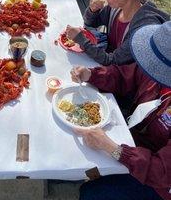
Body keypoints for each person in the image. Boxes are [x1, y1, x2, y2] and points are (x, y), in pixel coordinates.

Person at [71, 21, 171, 200]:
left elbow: (161, 172)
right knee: (77, 142)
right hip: (135, 138)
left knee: (92, 194)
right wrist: (91, 74)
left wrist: (113, 148)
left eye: (156, 65)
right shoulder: (157, 68)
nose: (150, 67)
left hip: (159, 184)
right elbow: (126, 76)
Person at [66, 0, 169, 66]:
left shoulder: (142, 30)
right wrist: (92, 11)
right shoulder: (117, 7)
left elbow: (112, 61)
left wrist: (80, 40)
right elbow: (90, 23)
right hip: (108, 56)